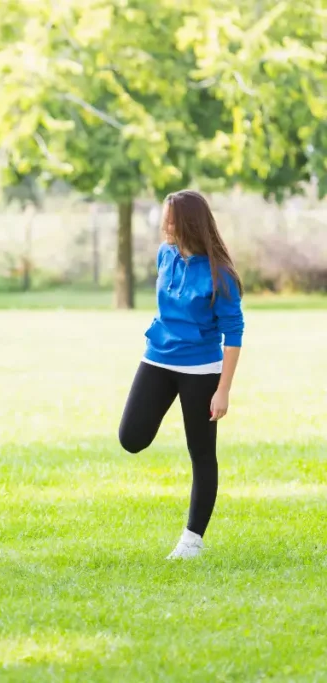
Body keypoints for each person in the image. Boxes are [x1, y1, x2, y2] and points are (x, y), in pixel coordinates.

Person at [118, 190, 244, 560]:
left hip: (201, 368)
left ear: (190, 223)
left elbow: (234, 334)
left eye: (172, 219)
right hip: (158, 358)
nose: (165, 225)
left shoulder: (220, 275)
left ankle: (192, 539)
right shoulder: (165, 254)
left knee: (201, 452)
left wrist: (223, 390)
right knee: (131, 437)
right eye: (164, 217)